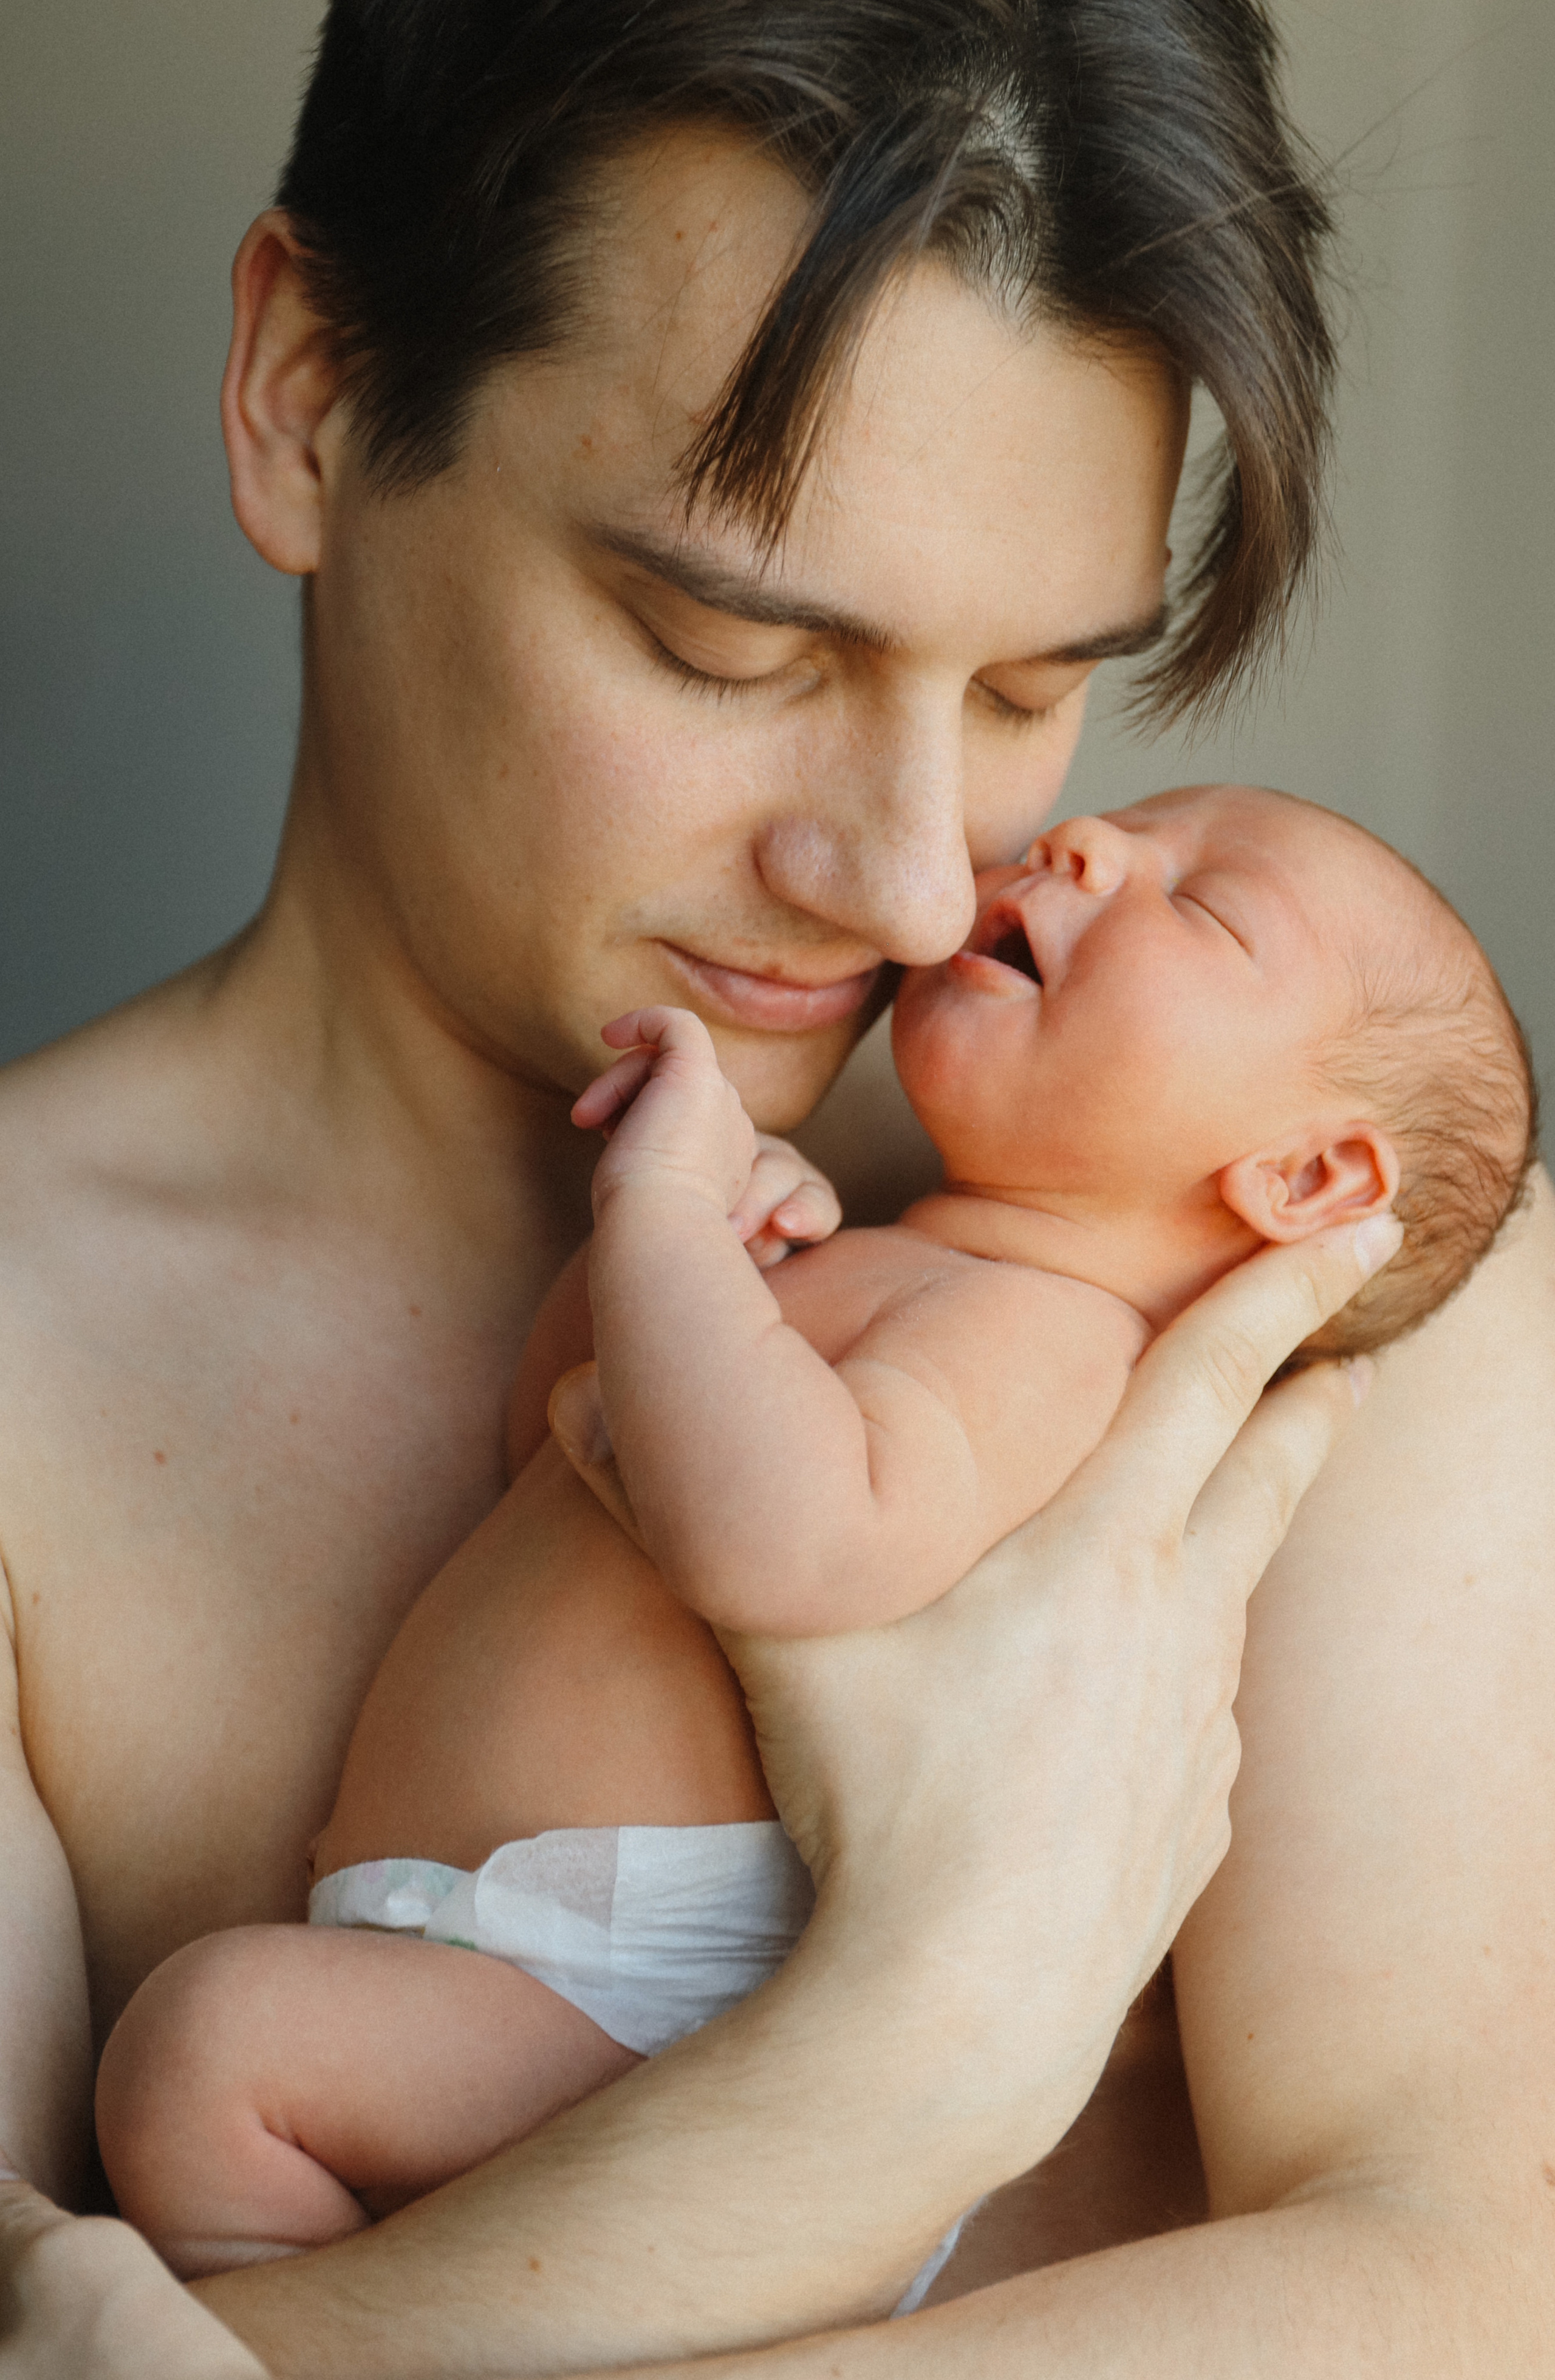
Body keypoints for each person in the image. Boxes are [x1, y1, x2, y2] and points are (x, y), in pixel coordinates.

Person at [4, 4, 1555, 2374]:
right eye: (731, 641)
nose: (927, 884)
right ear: (309, 393)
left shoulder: (1301, 1261)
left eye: (1038, 688)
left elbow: (1465, 2289)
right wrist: (911, 2047)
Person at [92, 782, 1535, 2288]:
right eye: (1126, 826)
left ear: (1306, 1180)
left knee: (208, 2062)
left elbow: (779, 1550)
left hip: (644, 2016)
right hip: (523, 1960)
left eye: (1200, 906)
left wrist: (661, 1204)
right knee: (234, 2078)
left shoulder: (1056, 1352)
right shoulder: (906, 1264)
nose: (1085, 846)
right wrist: (678, 1264)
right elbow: (555, 1434)